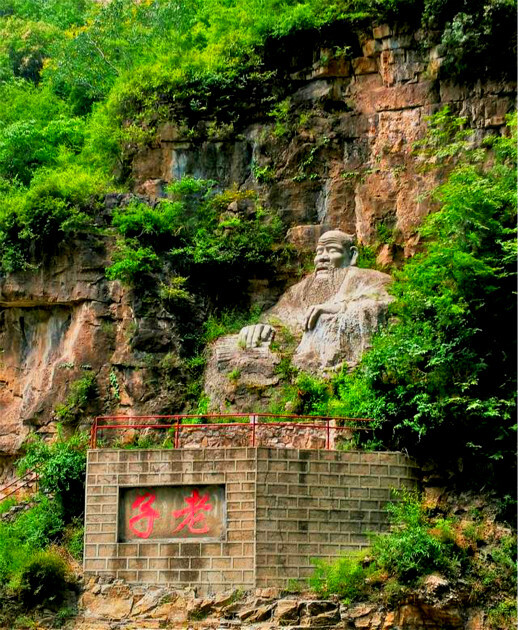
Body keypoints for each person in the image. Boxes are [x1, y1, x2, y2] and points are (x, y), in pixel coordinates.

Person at [238, 230, 392, 371]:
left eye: (332, 251)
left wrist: (339, 308)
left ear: (352, 255)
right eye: (319, 252)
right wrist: (260, 328)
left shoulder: (370, 279)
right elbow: (277, 318)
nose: (322, 258)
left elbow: (385, 303)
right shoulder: (300, 290)